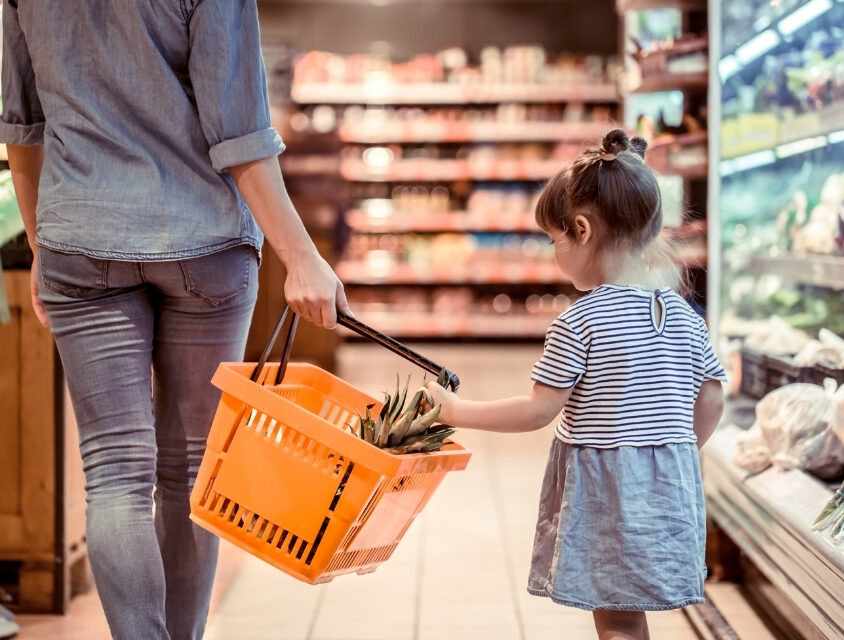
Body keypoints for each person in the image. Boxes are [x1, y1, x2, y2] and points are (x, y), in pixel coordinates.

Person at [1, 2, 348, 639]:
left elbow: (22, 126)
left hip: (81, 235)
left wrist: (44, 243)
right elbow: (238, 129)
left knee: (114, 474)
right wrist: (302, 256)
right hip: (203, 238)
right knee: (191, 471)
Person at [426, 129, 726, 640]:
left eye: (553, 239)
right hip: (669, 486)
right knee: (632, 614)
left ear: (581, 230)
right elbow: (713, 397)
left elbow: (538, 410)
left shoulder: (582, 320)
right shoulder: (684, 316)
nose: (554, 252)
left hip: (609, 492)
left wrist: (455, 411)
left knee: (615, 619)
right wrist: (670, 447)